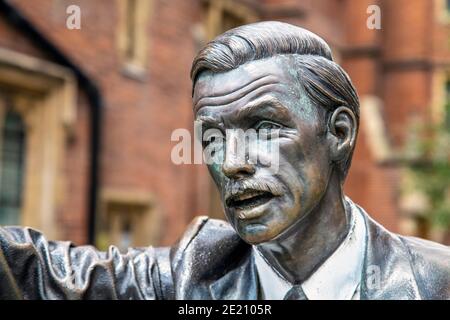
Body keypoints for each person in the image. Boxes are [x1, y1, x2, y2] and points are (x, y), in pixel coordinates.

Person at [0, 21, 448, 300]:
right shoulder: (192, 275)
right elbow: (36, 271)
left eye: (264, 129)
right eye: (212, 138)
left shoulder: (433, 283)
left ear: (340, 133)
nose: (232, 163)